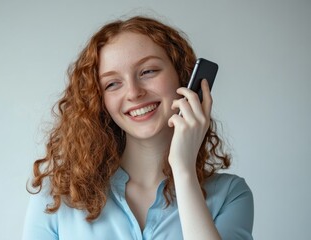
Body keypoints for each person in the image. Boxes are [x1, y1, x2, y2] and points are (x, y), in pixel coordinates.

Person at [23, 16, 254, 240]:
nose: (134, 93)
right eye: (113, 84)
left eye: (148, 71)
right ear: (98, 101)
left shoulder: (230, 195)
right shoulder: (55, 199)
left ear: (182, 77)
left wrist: (183, 171)